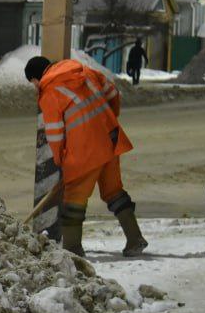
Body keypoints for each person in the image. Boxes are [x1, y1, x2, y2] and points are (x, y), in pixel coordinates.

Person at [25, 55, 146, 258]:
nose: (35, 87)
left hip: (84, 150)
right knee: (114, 192)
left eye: (33, 83)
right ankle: (135, 239)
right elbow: (113, 93)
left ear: (36, 78)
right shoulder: (84, 71)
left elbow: (55, 133)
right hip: (110, 138)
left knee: (74, 199)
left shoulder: (50, 92)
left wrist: (60, 159)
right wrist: (107, 119)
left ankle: (72, 250)